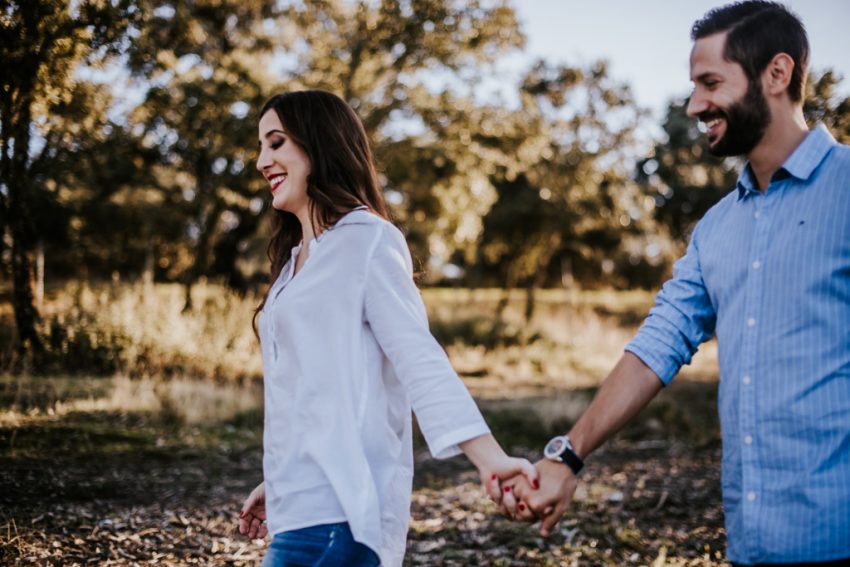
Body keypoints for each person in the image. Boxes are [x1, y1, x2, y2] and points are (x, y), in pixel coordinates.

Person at [498, 2, 850, 566]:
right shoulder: (717, 228)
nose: (695, 105)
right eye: (694, 86)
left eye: (711, 83)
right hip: (752, 544)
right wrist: (567, 459)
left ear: (778, 75)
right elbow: (658, 344)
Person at [237, 89, 538, 567]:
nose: (261, 161)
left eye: (275, 143)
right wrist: (281, 481)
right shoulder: (295, 264)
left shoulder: (368, 240)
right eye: (260, 147)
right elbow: (313, 394)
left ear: (319, 146)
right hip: (300, 513)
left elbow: (419, 359)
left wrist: (492, 460)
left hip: (343, 518)